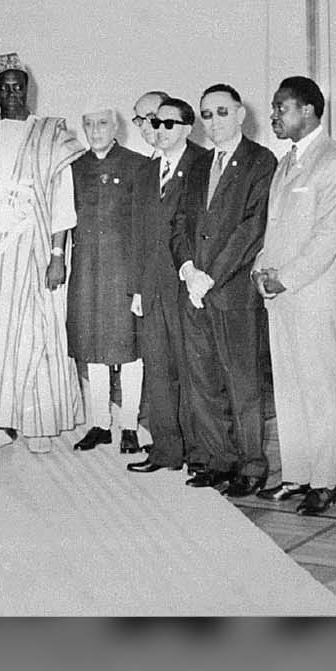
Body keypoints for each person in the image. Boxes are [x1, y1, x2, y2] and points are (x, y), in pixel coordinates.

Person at [0, 53, 85, 452]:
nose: (11, 93)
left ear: (29, 89)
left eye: (18, 86)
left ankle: (38, 425)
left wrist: (58, 255)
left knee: (36, 336)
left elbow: (63, 202)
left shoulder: (51, 135)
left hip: (34, 250)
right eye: (3, 87)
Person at [251, 77, 336, 513]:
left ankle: (325, 481)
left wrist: (285, 277)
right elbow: (276, 228)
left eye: (281, 108)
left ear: (309, 110)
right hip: (282, 295)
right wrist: (260, 267)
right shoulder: (287, 161)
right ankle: (296, 475)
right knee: (289, 390)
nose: (274, 115)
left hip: (314, 295)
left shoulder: (334, 163)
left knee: (320, 391)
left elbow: (328, 237)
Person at [170, 83, 276, 497]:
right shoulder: (197, 164)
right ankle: (219, 460)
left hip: (231, 292)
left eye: (221, 112)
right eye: (206, 115)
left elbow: (253, 228)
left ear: (240, 114)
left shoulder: (260, 162)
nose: (213, 122)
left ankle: (251, 465)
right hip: (193, 290)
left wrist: (210, 275)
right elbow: (178, 222)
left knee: (243, 384)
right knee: (201, 381)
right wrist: (187, 269)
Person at [126, 95, 206, 476]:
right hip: (153, 288)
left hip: (187, 287)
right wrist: (138, 289)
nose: (159, 130)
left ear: (188, 129)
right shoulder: (144, 173)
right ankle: (166, 450)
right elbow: (139, 237)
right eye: (155, 123)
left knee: (194, 373)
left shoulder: (203, 165)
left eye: (169, 124)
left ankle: (201, 453)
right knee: (157, 370)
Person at [66, 107, 149, 453]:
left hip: (124, 273)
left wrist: (140, 283)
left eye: (102, 123)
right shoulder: (74, 168)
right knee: (92, 349)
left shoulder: (137, 165)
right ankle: (100, 423)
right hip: (86, 271)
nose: (95, 130)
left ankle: (128, 425)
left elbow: (146, 228)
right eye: (89, 124)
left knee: (129, 351)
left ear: (116, 126)